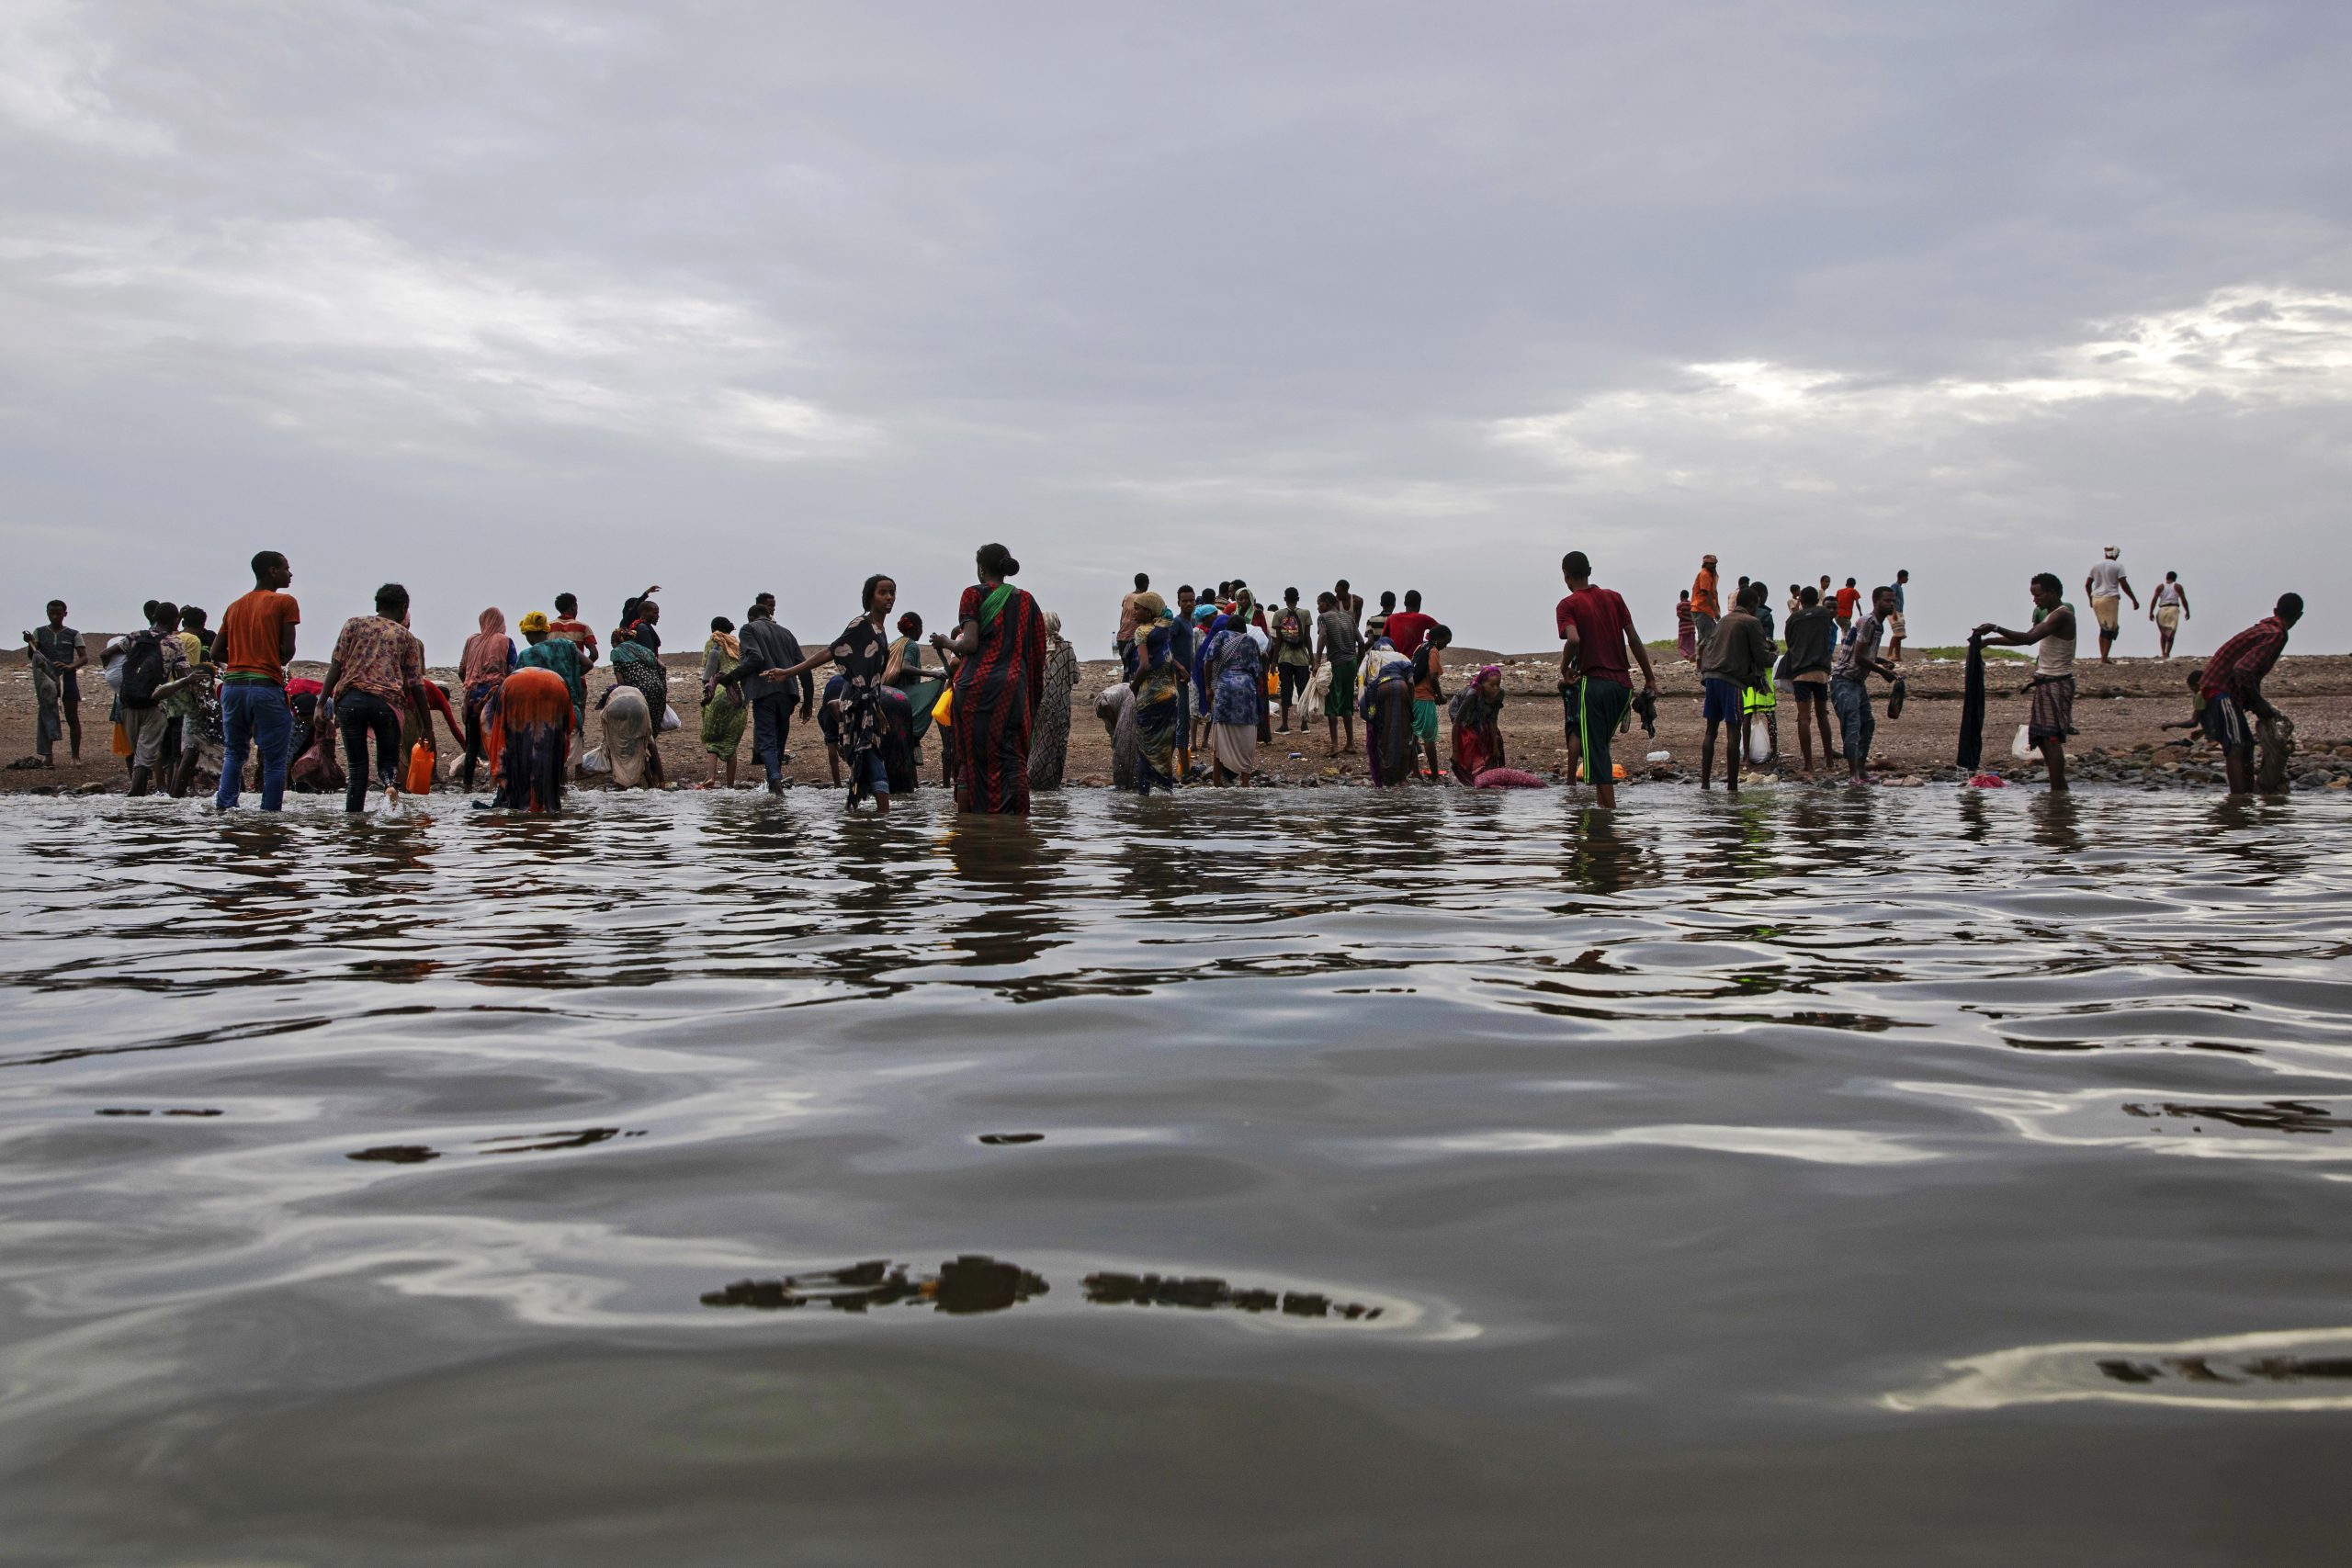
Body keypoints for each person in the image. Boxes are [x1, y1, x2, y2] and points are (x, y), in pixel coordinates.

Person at [933, 543, 1049, 814]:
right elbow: (1036, 653)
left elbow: (970, 644)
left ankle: (967, 828)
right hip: (1013, 689)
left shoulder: (973, 594)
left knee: (969, 762)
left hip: (976, 687)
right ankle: (1019, 828)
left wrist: (945, 641)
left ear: (981, 568)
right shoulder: (1027, 600)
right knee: (1013, 759)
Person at [1556, 551, 1657, 811]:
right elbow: (1633, 639)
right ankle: (1604, 809)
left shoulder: (1568, 604)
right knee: (1600, 746)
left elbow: (1575, 639)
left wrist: (1564, 667)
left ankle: (1608, 818)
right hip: (1623, 686)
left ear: (1565, 575)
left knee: (1598, 751)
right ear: (1589, 570)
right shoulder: (1614, 598)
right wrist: (1649, 677)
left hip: (1594, 684)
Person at [321, 582, 428, 812]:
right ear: (403, 608)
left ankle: (354, 825)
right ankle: (389, 786)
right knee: (388, 763)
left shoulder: (354, 624)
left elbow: (336, 665)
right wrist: (426, 727)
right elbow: (417, 685)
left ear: (378, 604)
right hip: (386, 703)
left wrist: (322, 703)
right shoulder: (406, 637)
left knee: (357, 768)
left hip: (351, 700)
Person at [1972, 573, 2078, 792]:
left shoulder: (2062, 615)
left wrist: (1996, 628)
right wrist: (1990, 641)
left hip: (2056, 683)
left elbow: (2029, 638)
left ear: (2053, 593)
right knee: (2042, 738)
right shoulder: (2049, 616)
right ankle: (2058, 792)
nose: (2034, 600)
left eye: (2038, 595)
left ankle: (2058, 792)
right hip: (2046, 683)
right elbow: (2028, 637)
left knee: (2052, 739)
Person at [214, 551, 300, 812]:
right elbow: (288, 651)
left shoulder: (235, 606)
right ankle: (270, 819)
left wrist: (243, 655)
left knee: (234, 754)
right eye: (287, 568)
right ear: (273, 571)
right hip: (265, 686)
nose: (290, 573)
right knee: (274, 761)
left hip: (232, 688)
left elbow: (217, 653)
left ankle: (224, 810)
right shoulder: (285, 602)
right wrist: (266, 656)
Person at [2199, 593, 2302, 795]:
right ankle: (2239, 804)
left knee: (2246, 746)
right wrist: (2258, 703)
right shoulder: (2276, 634)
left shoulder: (2266, 629)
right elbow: (2243, 670)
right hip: (2220, 690)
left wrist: (2254, 701)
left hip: (2221, 690)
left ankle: (2246, 800)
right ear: (2299, 616)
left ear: (2275, 611)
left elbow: (2246, 671)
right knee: (2237, 746)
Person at [724, 599, 815, 795]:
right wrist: (808, 702)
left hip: (764, 692)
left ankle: (774, 781)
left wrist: (732, 677)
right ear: (769, 615)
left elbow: (755, 658)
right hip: (788, 693)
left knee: (766, 739)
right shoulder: (786, 633)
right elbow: (804, 668)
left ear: (750, 617)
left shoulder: (748, 629)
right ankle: (775, 784)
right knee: (779, 741)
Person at [1699, 585, 1771, 794]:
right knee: (1733, 732)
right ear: (1753, 605)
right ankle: (1732, 788)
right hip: (1731, 680)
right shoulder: (1751, 622)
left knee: (1710, 731)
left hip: (1711, 677)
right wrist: (1773, 654)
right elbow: (1762, 657)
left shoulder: (1723, 621)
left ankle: (1705, 785)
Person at [1828, 585, 1901, 784]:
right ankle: (1853, 775)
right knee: (1852, 726)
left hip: (1857, 682)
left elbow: (1863, 652)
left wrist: (1880, 661)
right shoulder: (1868, 622)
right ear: (1876, 601)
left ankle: (1861, 771)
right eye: (1887, 600)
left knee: (1867, 724)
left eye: (1893, 601)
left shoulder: (1878, 624)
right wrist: (1883, 672)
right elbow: (1859, 657)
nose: (1891, 604)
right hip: (1844, 681)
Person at [118, 600, 190, 796]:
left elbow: (107, 654)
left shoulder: (134, 637)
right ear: (176, 620)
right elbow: (183, 675)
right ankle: (135, 798)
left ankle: (134, 800)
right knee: (145, 755)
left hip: (127, 701)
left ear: (154, 617)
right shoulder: (174, 643)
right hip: (155, 703)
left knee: (135, 752)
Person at [1203, 603, 1266, 786]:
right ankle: (1244, 783)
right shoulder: (1252, 641)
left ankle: (1216, 784)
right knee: (1246, 735)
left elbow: (1208, 660)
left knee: (1220, 736)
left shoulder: (1221, 635)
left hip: (1224, 689)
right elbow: (1257, 671)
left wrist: (1208, 687)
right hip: (1247, 690)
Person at [1781, 584, 1840, 776]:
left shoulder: (1793, 619)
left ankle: (1808, 765)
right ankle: (1829, 761)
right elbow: (1830, 633)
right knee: (1823, 715)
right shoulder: (1824, 614)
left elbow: (1789, 642)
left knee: (1804, 718)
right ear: (1817, 600)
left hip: (1801, 673)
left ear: (1801, 601)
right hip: (1821, 672)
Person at [458, 608, 516, 793]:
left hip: (472, 699)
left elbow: (462, 670)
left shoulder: (471, 641)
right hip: (495, 697)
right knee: (498, 741)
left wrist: (473, 686)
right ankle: (495, 783)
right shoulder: (505, 641)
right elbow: (513, 669)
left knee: (472, 744)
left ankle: (467, 786)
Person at [24, 600, 85, 765]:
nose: (55, 617)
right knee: (46, 713)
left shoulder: (73, 634)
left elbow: (84, 658)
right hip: (47, 678)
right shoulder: (40, 632)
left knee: (72, 716)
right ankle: (48, 755)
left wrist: (69, 666)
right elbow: (33, 655)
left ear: (65, 614)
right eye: (52, 613)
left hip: (68, 677)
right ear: (47, 613)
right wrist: (29, 642)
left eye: (58, 613)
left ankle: (75, 756)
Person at [1127, 617, 1185, 794]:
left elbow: (1144, 665)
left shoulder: (1142, 632)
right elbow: (1169, 662)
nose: (1135, 613)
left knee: (1146, 746)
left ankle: (1144, 794)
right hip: (1169, 695)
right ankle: (1166, 790)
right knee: (1165, 748)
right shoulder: (1165, 632)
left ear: (1148, 610)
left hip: (1149, 697)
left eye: (1139, 609)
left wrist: (1133, 686)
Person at [605, 632, 670, 787]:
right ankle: (660, 780)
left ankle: (645, 780)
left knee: (638, 736)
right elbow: (662, 667)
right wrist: (662, 688)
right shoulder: (645, 649)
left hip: (638, 693)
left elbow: (621, 682)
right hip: (657, 691)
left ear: (615, 641)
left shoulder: (617, 651)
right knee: (650, 735)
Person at [1029, 610, 1080, 792]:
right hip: (1061, 705)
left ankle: (1033, 777)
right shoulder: (1066, 648)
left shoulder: (1034, 647)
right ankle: (1052, 782)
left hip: (1039, 704)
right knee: (1057, 743)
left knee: (1039, 741)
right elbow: (1075, 676)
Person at [1359, 634, 1417, 786]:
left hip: (1381, 690)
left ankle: (1387, 776)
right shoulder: (1402, 656)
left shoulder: (1371, 656)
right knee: (1403, 731)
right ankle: (1402, 778)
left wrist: (1366, 706)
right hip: (1401, 687)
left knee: (1384, 731)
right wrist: (1410, 703)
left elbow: (1361, 678)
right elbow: (1411, 681)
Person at [1312, 590, 1360, 758]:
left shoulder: (1323, 618)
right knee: (1347, 703)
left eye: (1319, 603)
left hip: (1337, 663)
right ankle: (1351, 743)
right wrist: (1358, 662)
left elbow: (1323, 635)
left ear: (1326, 602)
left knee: (1332, 703)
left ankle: (1334, 746)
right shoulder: (1349, 618)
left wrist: (1317, 661)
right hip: (1351, 663)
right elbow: (1360, 641)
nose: (1318, 607)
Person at [699, 615, 746, 786]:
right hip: (739, 693)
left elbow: (708, 671)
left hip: (719, 690)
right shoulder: (738, 645)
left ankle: (710, 776)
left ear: (713, 629)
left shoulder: (713, 642)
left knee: (713, 737)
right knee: (731, 738)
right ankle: (730, 786)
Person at [548, 592, 599, 734]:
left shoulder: (548, 627)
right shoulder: (583, 627)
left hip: (552, 680)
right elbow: (594, 654)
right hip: (577, 683)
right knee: (577, 721)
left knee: (553, 719)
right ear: (573, 606)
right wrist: (577, 673)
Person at [1409, 625, 1452, 783]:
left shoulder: (1420, 647)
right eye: (1446, 642)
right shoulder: (1433, 650)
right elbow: (1433, 676)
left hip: (1412, 696)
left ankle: (1415, 772)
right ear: (1438, 639)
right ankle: (1434, 775)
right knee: (1429, 738)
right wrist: (1440, 696)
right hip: (1424, 698)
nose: (1445, 646)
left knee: (1412, 737)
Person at [1270, 589, 1314, 733]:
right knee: (1303, 691)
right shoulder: (1305, 613)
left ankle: (1285, 725)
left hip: (1285, 658)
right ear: (1298, 598)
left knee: (1286, 691)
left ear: (1284, 598)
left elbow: (1278, 641)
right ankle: (1304, 724)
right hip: (1302, 658)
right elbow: (1307, 638)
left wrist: (1273, 662)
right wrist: (1312, 659)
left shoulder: (1279, 614)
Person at [2085, 547, 2137, 664]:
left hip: (2096, 599)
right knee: (2110, 628)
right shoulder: (2118, 566)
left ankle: (2102, 655)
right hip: (2110, 598)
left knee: (2103, 628)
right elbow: (2124, 584)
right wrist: (2133, 599)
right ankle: (2104, 658)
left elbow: (2087, 584)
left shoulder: (2095, 565)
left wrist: (2090, 599)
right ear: (2116, 555)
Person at [2150, 571, 2190, 659]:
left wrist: (2151, 612)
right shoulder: (2177, 586)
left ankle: (2163, 653)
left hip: (2162, 610)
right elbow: (2183, 600)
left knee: (2163, 633)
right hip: (2173, 609)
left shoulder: (2160, 587)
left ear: (2166, 577)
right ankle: (2167, 653)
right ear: (2175, 578)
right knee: (2171, 632)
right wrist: (2187, 611)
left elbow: (2154, 600)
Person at [1385, 590, 1435, 660]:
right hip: (1414, 663)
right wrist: (1429, 639)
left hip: (1394, 662)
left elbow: (1383, 640)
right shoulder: (1423, 619)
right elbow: (1443, 631)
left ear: (1404, 603)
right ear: (1419, 604)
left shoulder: (1392, 618)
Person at [1114, 572, 1150, 663]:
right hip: (1135, 638)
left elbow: (1122, 617)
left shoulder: (1127, 597)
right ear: (1146, 584)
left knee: (1127, 668)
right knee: (1136, 667)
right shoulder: (1144, 599)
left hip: (1122, 637)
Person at [1690, 555, 1721, 649]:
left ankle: (1703, 660)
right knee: (1706, 639)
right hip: (1701, 609)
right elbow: (1706, 593)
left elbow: (1714, 593)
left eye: (1715, 564)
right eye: (1711, 564)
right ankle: (1701, 661)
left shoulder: (1712, 575)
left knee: (1710, 636)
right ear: (1705, 564)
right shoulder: (1704, 574)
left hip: (1707, 611)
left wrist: (1717, 609)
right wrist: (1716, 612)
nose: (1714, 566)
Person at [1888, 569, 1911, 662]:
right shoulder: (1895, 586)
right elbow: (1891, 599)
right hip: (1895, 612)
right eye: (1906, 577)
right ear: (1902, 577)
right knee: (1897, 633)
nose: (1907, 579)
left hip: (1899, 612)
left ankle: (1897, 655)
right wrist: (1894, 612)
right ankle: (1889, 653)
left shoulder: (1900, 587)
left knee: (1900, 634)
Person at [1835, 577, 1860, 642]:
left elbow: (1835, 602)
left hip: (1837, 615)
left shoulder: (1839, 591)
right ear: (1854, 585)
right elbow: (1857, 603)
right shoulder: (1853, 591)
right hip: (1845, 616)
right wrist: (1860, 612)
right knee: (1846, 632)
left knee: (1844, 629)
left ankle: (1843, 643)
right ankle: (1844, 646)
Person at [1675, 588, 1697, 662]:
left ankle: (1688, 657)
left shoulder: (1680, 605)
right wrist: (1691, 620)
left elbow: (1679, 615)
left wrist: (1687, 619)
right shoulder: (1692, 604)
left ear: (1681, 596)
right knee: (1691, 646)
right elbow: (1695, 615)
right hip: (1692, 627)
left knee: (1680, 646)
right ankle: (1692, 658)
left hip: (1683, 628)